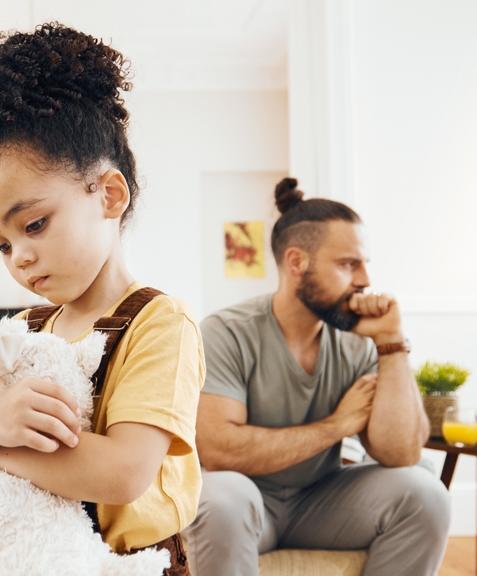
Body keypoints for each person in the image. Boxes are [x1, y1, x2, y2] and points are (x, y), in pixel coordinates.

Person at [0, 23, 204, 574]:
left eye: (34, 223)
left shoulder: (161, 323)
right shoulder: (23, 329)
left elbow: (122, 472)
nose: (18, 256)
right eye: (0, 244)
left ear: (109, 194)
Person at [184, 177, 451, 576]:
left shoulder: (360, 341)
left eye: (364, 264)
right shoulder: (225, 332)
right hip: (249, 502)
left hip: (324, 503)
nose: (364, 279)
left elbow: (401, 454)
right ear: (296, 263)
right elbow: (221, 452)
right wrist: (337, 426)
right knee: (220, 495)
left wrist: (392, 343)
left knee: (426, 492)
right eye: (348, 264)